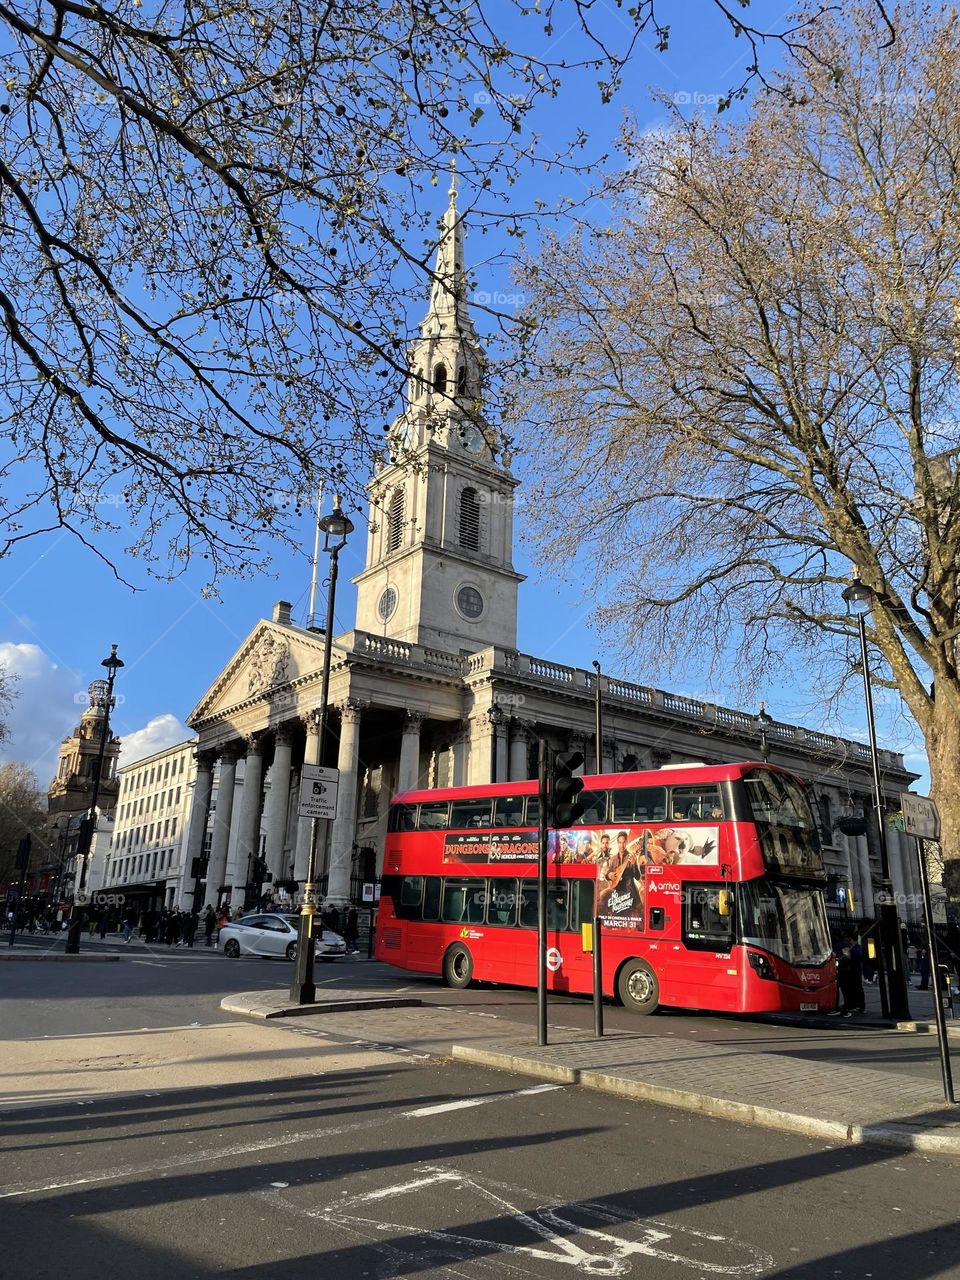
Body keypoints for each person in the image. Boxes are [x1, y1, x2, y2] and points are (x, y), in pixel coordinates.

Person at [830, 936, 866, 1017]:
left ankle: (852, 1006)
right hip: (852, 971)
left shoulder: (851, 948)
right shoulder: (854, 948)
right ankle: (854, 1005)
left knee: (851, 989)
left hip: (851, 971)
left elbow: (848, 958)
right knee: (851, 989)